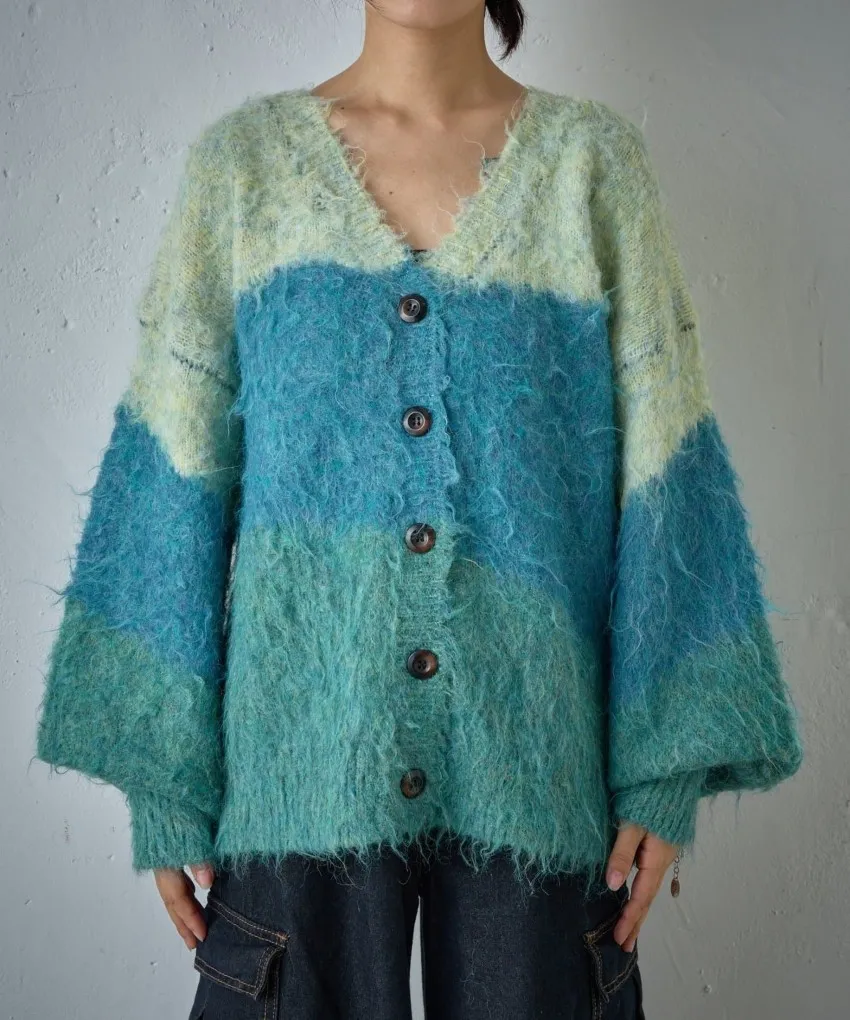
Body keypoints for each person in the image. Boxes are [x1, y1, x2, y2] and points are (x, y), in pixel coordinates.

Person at [33, 1, 804, 1017]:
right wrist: (161, 770)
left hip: (537, 774)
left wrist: (668, 758)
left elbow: (668, 469)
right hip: (298, 766)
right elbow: (170, 468)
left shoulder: (592, 168)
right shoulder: (244, 171)